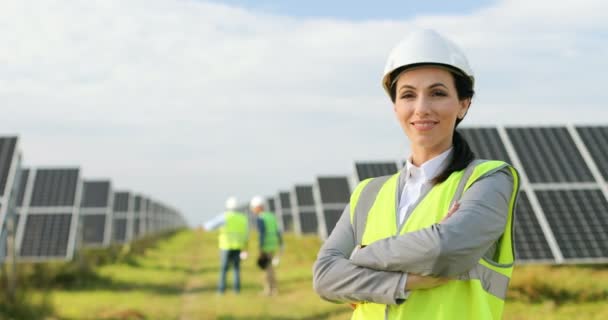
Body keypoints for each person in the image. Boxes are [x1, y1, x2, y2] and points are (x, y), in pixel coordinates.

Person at [312, 29, 520, 320]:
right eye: (408, 95)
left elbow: (443, 251)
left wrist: (357, 258)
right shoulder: (367, 194)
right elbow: (324, 277)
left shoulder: (489, 180)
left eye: (437, 93)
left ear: (463, 104)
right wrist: (403, 281)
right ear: (395, 106)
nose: (421, 108)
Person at [205, 196, 249, 294]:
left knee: (224, 269)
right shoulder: (242, 218)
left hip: (225, 246)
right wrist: (246, 247)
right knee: (236, 269)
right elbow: (246, 234)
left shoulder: (224, 216)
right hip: (238, 246)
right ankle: (237, 290)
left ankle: (221, 290)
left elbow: (209, 226)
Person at [250, 195, 283, 296]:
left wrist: (260, 248)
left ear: (258, 207)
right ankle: (273, 289)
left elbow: (262, 234)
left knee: (267, 270)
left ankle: (269, 290)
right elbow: (278, 231)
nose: (253, 210)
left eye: (253, 208)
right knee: (271, 268)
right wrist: (280, 243)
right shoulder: (271, 216)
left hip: (266, 247)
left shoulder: (261, 218)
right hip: (273, 245)